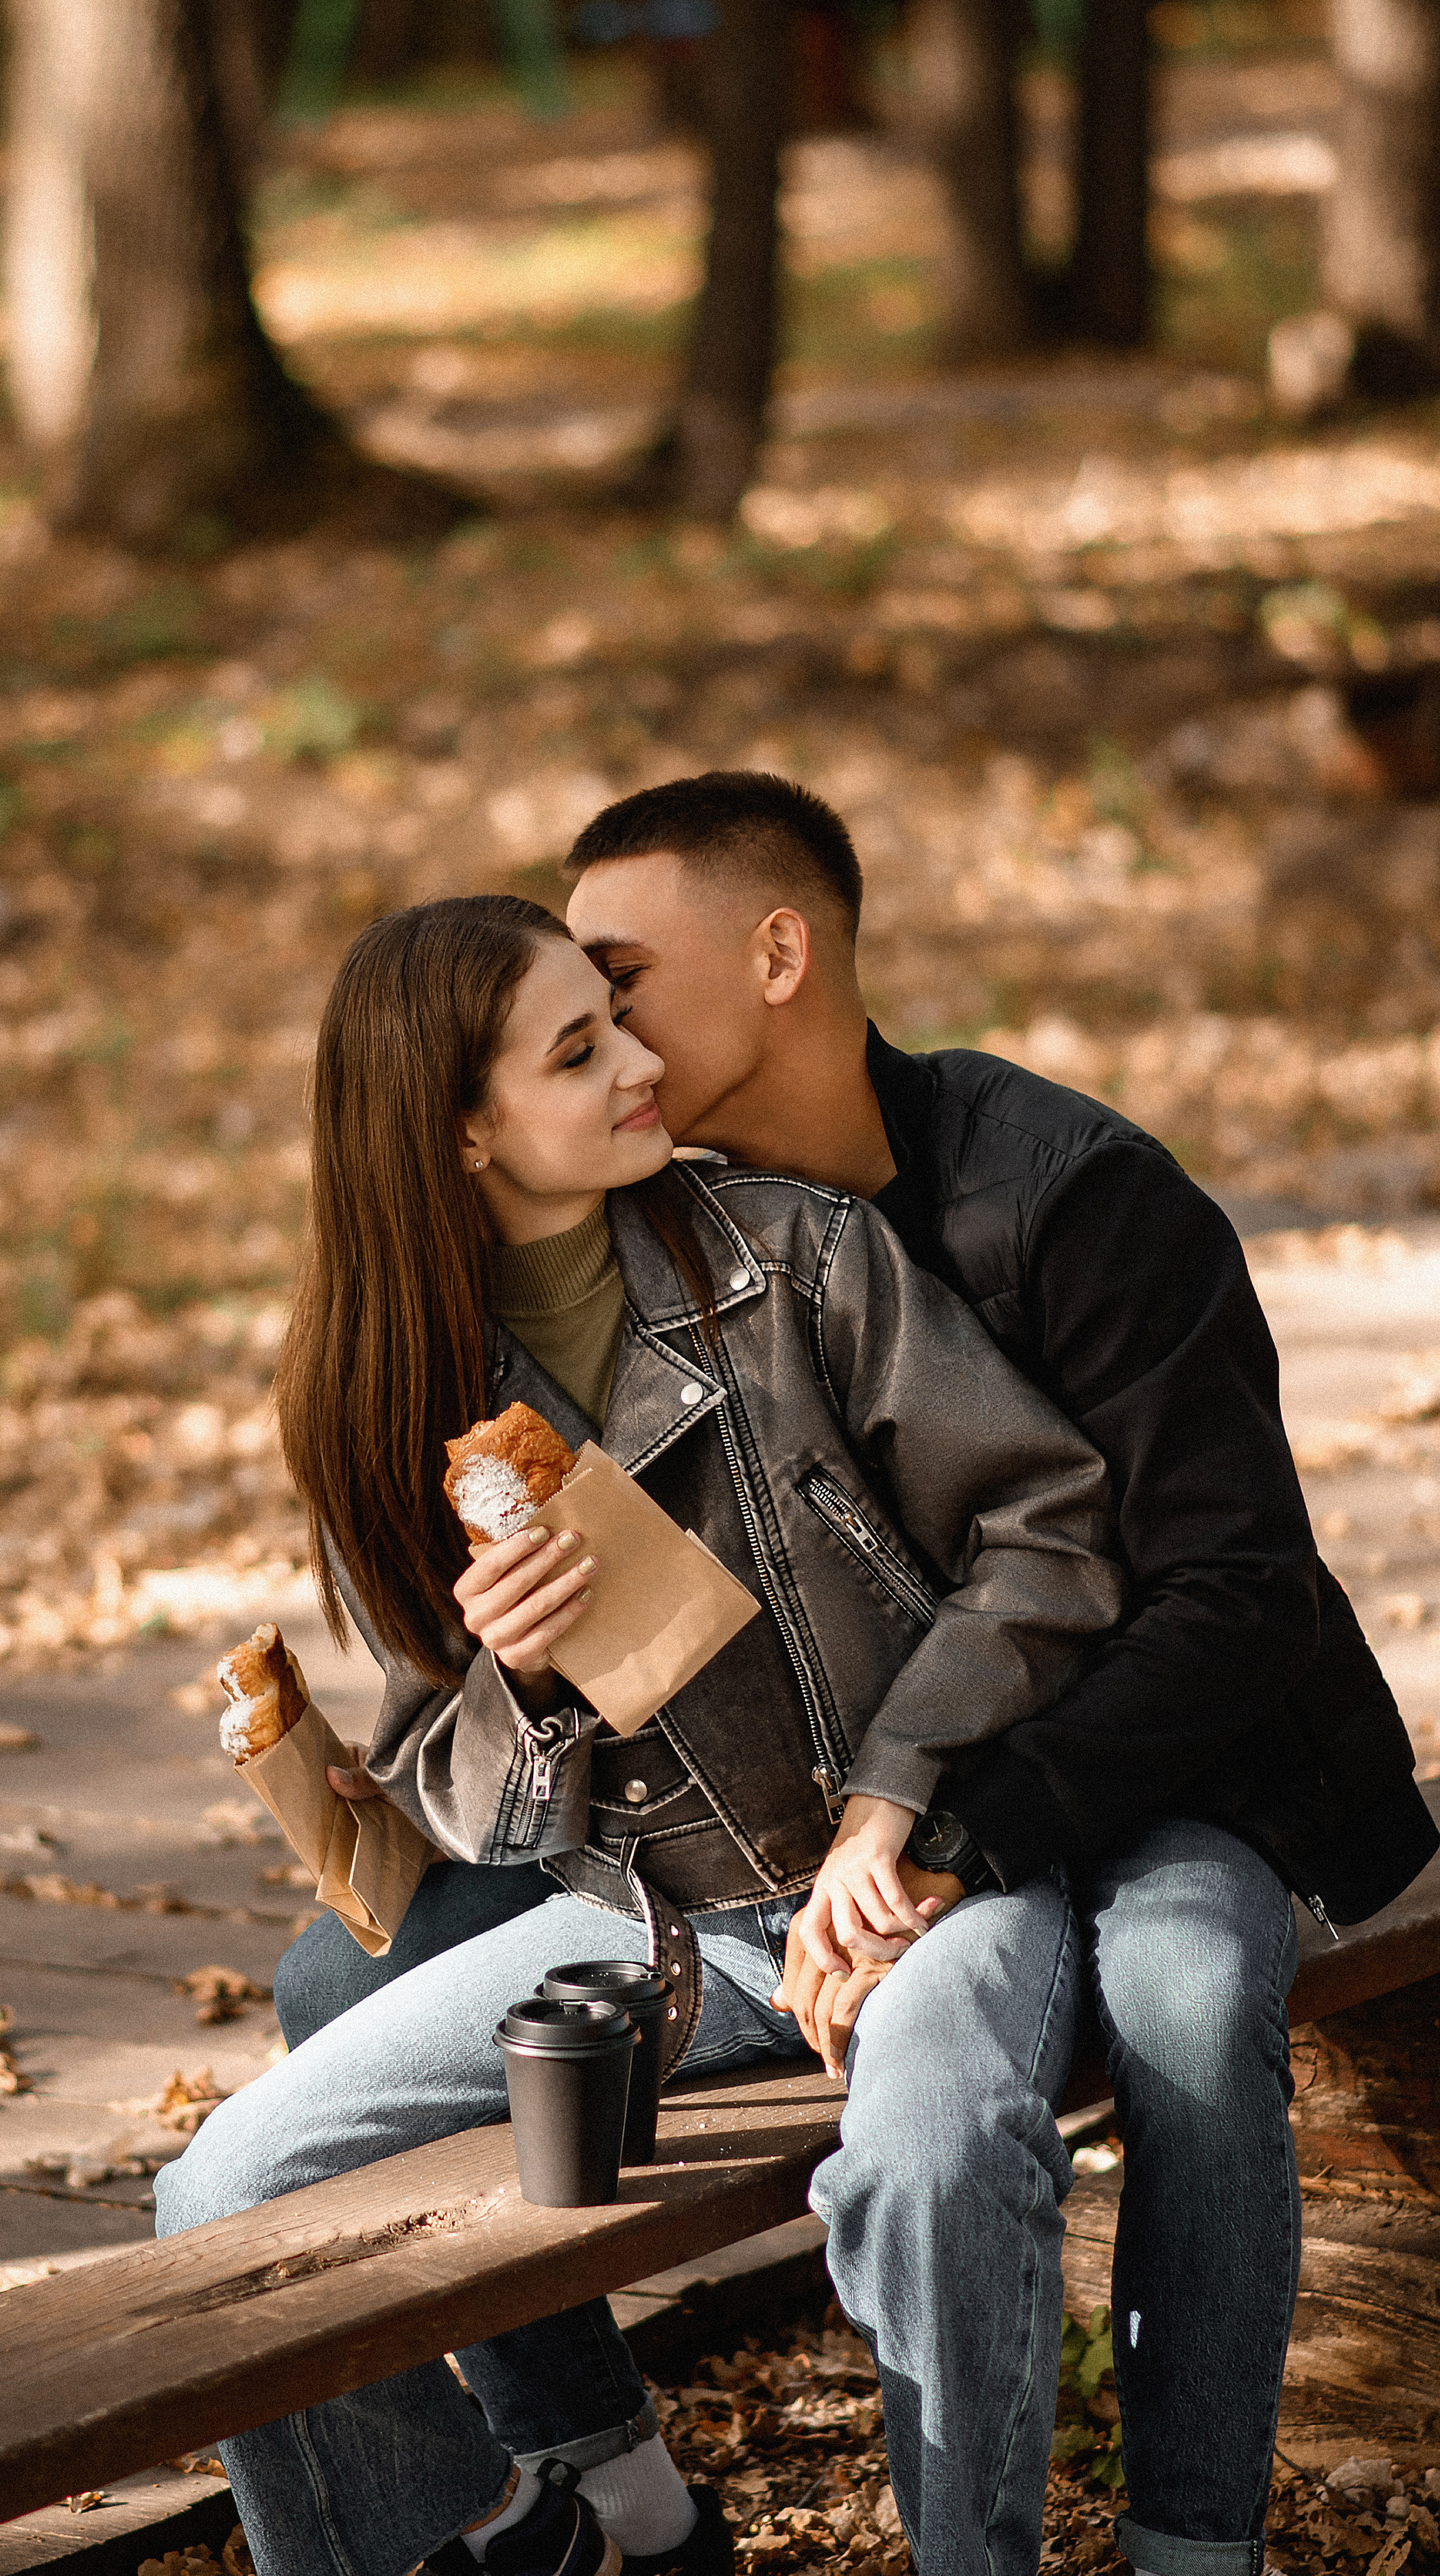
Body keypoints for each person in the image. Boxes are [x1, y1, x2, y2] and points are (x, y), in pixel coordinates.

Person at [154, 892, 1125, 2576]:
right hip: (654, 1938)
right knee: (221, 2202)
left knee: (926, 2160)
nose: (641, 1060)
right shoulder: (391, 1394)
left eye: (616, 1021)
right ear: (463, 1130)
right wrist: (518, 1688)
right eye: (577, 1047)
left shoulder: (796, 1257)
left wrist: (897, 1806)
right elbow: (451, 1791)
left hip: (932, 1886)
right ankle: (509, 2536)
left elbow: (1046, 1536)